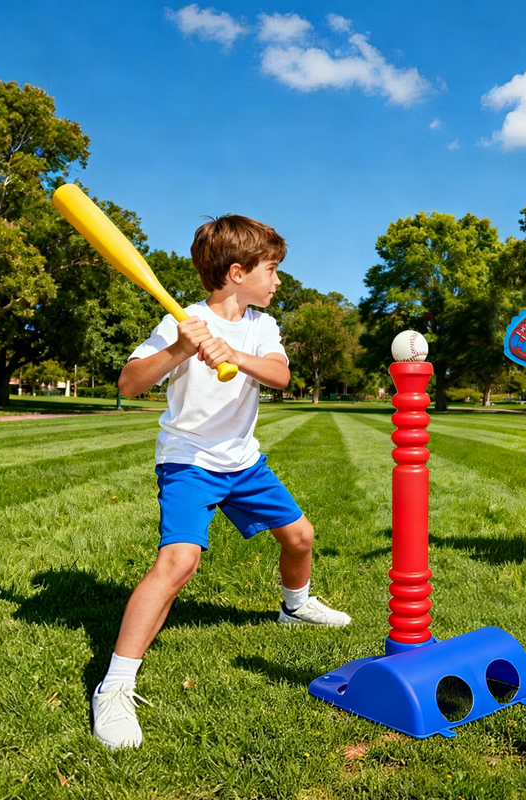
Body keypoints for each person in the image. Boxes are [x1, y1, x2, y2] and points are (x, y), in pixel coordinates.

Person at [92, 214, 351, 750]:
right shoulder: (181, 321)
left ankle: (294, 607)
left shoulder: (260, 326)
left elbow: (280, 376)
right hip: (189, 460)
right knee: (179, 561)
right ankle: (114, 685)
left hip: (243, 461)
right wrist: (182, 349)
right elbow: (130, 382)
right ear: (237, 272)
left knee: (300, 537)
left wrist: (234, 354)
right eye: (272, 270)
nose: (278, 280)